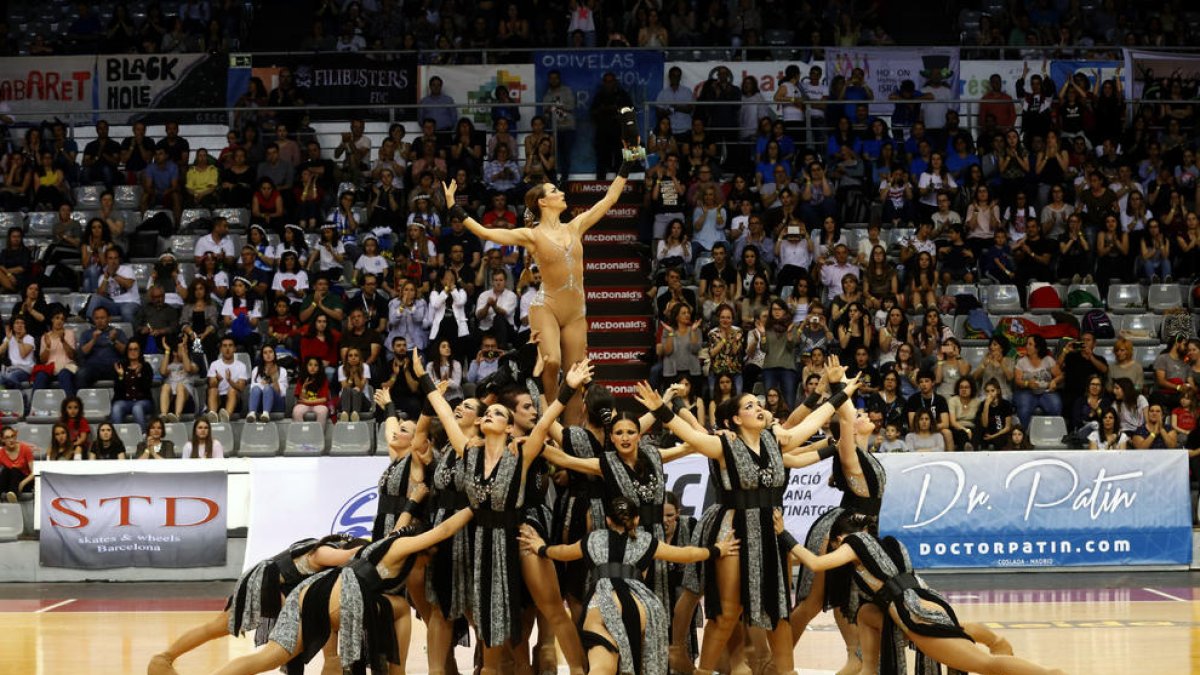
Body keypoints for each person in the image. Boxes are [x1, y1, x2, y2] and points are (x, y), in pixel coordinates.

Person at [634, 375, 862, 675]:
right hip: (736, 532)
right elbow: (692, 436)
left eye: (758, 404)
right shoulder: (722, 445)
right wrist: (662, 409)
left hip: (771, 532)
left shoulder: (775, 441)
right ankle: (700, 667)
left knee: (778, 611)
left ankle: (784, 671)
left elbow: (810, 422)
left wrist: (841, 392)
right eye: (750, 405)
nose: (758, 408)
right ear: (735, 419)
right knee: (727, 613)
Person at [417, 352, 590, 675]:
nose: (490, 415)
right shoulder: (468, 452)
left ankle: (581, 670)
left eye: (498, 413)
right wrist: (423, 378)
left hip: (518, 537)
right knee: (489, 618)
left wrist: (567, 387)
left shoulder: (522, 452)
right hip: (483, 543)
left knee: (552, 609)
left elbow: (545, 419)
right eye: (489, 412)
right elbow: (443, 411)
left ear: (509, 427)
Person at [442, 143, 639, 409]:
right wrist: (454, 207)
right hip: (547, 306)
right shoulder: (532, 235)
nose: (561, 193)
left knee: (576, 375)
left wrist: (627, 163)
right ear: (543, 202)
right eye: (555, 191)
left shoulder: (576, 226)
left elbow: (610, 199)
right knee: (553, 361)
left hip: (576, 311)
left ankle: (569, 434)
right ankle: (547, 407)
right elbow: (487, 233)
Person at [778, 510, 1067, 675]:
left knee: (983, 665)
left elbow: (815, 563)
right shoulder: (887, 545)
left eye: (833, 543)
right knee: (867, 614)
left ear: (840, 537)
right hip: (925, 602)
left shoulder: (855, 542)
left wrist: (783, 533)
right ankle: (993, 638)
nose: (833, 548)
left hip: (914, 614)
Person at [205, 499, 473, 675]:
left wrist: (412, 502)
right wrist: (476, 506)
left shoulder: (391, 542)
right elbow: (444, 530)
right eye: (429, 557)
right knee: (401, 608)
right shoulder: (403, 547)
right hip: (338, 595)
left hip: (311, 591)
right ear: (425, 548)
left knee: (270, 658)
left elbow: (401, 528)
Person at [518, 496, 736, 675]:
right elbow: (687, 554)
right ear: (637, 519)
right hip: (641, 605)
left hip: (601, 604)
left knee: (602, 668)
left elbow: (561, 552)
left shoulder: (593, 539)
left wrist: (540, 547)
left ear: (608, 520)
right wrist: (719, 549)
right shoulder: (645, 541)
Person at [147, 534, 367, 675]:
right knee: (223, 629)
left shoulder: (323, 554)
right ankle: (163, 658)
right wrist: (376, 547)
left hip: (272, 585)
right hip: (265, 584)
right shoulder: (324, 550)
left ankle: (163, 658)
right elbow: (348, 555)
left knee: (218, 628)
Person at [1013, 335, 1064, 428]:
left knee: (1056, 405)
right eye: (1027, 344)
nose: (1027, 346)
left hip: (1045, 391)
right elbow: (1017, 380)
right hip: (1027, 391)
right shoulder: (1021, 361)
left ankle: (1051, 432)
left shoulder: (1048, 360)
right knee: (1024, 409)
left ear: (1037, 348)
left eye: (1030, 344)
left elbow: (1061, 375)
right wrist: (1027, 383)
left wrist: (1054, 381)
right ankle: (1022, 435)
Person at [77, 306, 128, 389]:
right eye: (97, 318)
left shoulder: (118, 332)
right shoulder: (86, 334)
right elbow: (82, 353)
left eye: (102, 318)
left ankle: (121, 400)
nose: (100, 321)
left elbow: (126, 352)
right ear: (93, 319)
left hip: (114, 366)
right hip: (93, 368)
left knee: (126, 372)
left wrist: (114, 340)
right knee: (81, 373)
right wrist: (93, 340)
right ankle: (82, 401)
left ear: (109, 318)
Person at [111, 340, 155, 432]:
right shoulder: (120, 366)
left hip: (143, 401)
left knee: (137, 408)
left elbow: (146, 388)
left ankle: (142, 438)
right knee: (116, 407)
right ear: (127, 351)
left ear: (140, 351)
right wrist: (121, 376)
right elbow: (117, 390)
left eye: (135, 349)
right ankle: (117, 439)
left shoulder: (146, 367)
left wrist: (139, 375)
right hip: (124, 401)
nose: (133, 352)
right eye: (130, 349)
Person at [206, 337, 249, 422]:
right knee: (213, 390)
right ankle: (212, 418)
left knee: (232, 390)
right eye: (225, 346)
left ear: (234, 349)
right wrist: (218, 380)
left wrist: (230, 381)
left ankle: (226, 418)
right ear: (221, 349)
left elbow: (241, 387)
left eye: (230, 346)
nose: (227, 349)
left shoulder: (241, 366)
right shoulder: (214, 364)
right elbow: (211, 385)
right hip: (218, 399)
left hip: (235, 401)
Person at [158, 336, 197, 422]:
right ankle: (164, 415)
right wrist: (167, 351)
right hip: (171, 398)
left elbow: (188, 369)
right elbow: (163, 372)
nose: (185, 350)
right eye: (182, 348)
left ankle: (177, 417)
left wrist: (183, 353)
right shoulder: (169, 366)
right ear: (175, 352)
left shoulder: (192, 365)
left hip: (187, 400)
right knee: (165, 386)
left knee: (180, 386)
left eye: (185, 348)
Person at [248, 344, 288, 422]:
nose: (268, 355)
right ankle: (252, 413)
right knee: (256, 389)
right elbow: (252, 390)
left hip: (277, 403)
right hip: (259, 403)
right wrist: (264, 385)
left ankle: (266, 414)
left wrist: (274, 380)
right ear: (262, 355)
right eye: (265, 353)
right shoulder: (256, 370)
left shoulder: (282, 370)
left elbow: (282, 393)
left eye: (270, 352)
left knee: (268, 388)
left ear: (274, 354)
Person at [1, 426, 35, 502]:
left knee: (14, 470)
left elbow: (33, 473)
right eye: (7, 438)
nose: (11, 440)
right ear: (2, 440)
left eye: (12, 436)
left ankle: (13, 495)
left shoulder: (25, 449)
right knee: (5, 470)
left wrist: (22, 484)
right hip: (10, 482)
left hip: (25, 482)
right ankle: (10, 495)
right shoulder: (1, 453)